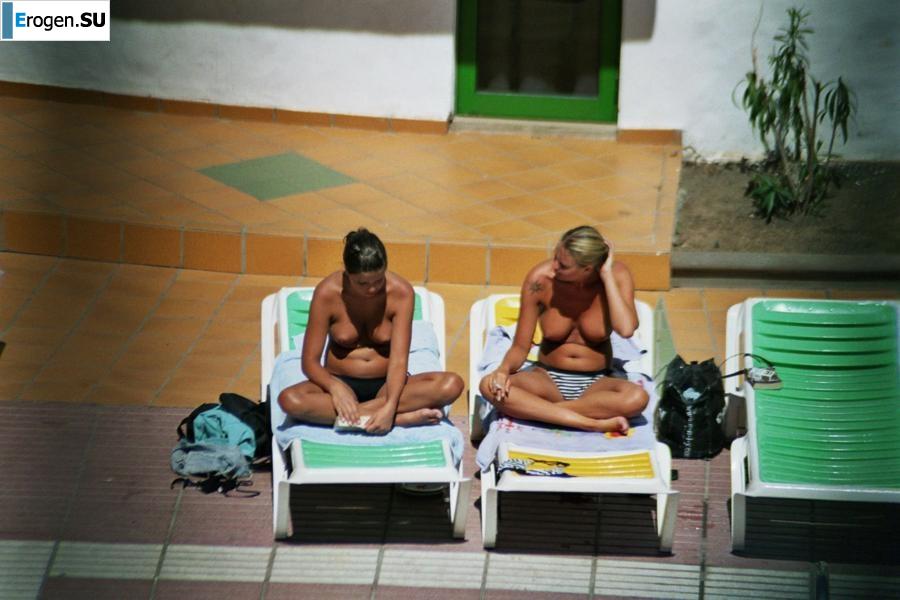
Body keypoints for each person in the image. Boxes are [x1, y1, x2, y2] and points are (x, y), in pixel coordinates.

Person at [278, 228, 464, 435]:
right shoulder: (327, 293)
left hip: (387, 385)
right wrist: (334, 388)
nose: (372, 289)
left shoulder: (401, 292)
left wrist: (390, 405)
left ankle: (362, 417)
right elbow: (310, 362)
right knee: (289, 400)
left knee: (451, 384)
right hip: (340, 381)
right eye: (362, 283)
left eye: (378, 280)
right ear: (347, 274)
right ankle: (399, 419)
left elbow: (399, 360)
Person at [479, 225, 648, 433]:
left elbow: (626, 328)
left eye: (564, 265)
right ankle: (591, 423)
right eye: (555, 257)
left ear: (587, 269)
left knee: (637, 398)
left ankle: (541, 413)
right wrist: (503, 371)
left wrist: (606, 276)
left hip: (597, 384)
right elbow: (521, 347)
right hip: (546, 379)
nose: (554, 267)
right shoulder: (540, 280)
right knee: (488, 385)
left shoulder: (616, 276)